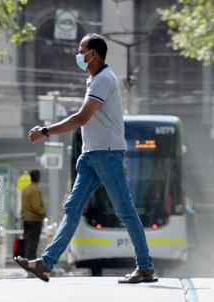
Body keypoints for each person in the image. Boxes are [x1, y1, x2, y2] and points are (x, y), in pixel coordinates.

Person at [14, 33, 157, 284]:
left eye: (82, 51)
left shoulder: (103, 80)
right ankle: (46, 264)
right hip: (91, 155)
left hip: (107, 154)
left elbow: (81, 118)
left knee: (125, 211)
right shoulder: (94, 79)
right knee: (72, 208)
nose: (78, 55)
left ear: (94, 54)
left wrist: (45, 131)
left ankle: (145, 267)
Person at [21, 169, 46, 260]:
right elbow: (36, 207)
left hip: (26, 219)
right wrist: (44, 213)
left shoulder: (26, 189)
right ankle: (31, 262)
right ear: (38, 178)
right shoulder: (35, 190)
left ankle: (27, 261)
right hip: (35, 220)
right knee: (33, 243)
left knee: (28, 242)